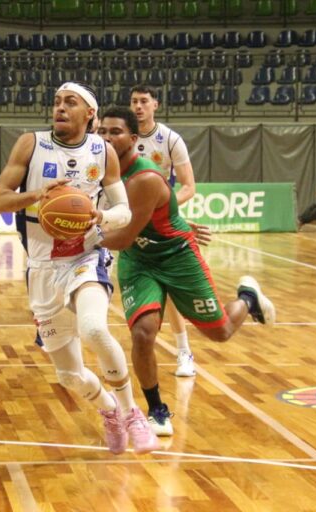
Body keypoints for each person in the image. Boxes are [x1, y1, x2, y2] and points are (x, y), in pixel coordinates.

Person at [0, 82, 159, 455]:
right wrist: (38, 195)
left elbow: (124, 212)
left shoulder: (103, 151)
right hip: (40, 267)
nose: (60, 108)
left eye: (71, 103)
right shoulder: (30, 144)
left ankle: (133, 413)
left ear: (90, 115)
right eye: (56, 102)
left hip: (85, 255)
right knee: (68, 374)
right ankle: (109, 410)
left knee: (94, 327)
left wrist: (100, 215)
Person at [97, 106, 275, 436]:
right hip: (139, 261)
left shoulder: (144, 178)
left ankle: (248, 298)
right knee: (142, 332)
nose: (107, 137)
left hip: (175, 256)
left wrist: (80, 237)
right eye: (102, 131)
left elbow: (122, 236)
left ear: (133, 139)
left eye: (115, 132)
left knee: (220, 332)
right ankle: (157, 410)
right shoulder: (95, 170)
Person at [130, 84, 197, 378]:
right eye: (134, 101)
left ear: (155, 104)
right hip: (125, 219)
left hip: (158, 221)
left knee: (167, 289)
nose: (138, 107)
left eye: (144, 101)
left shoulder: (170, 139)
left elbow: (188, 187)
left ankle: (184, 352)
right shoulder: (120, 136)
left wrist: (161, 207)